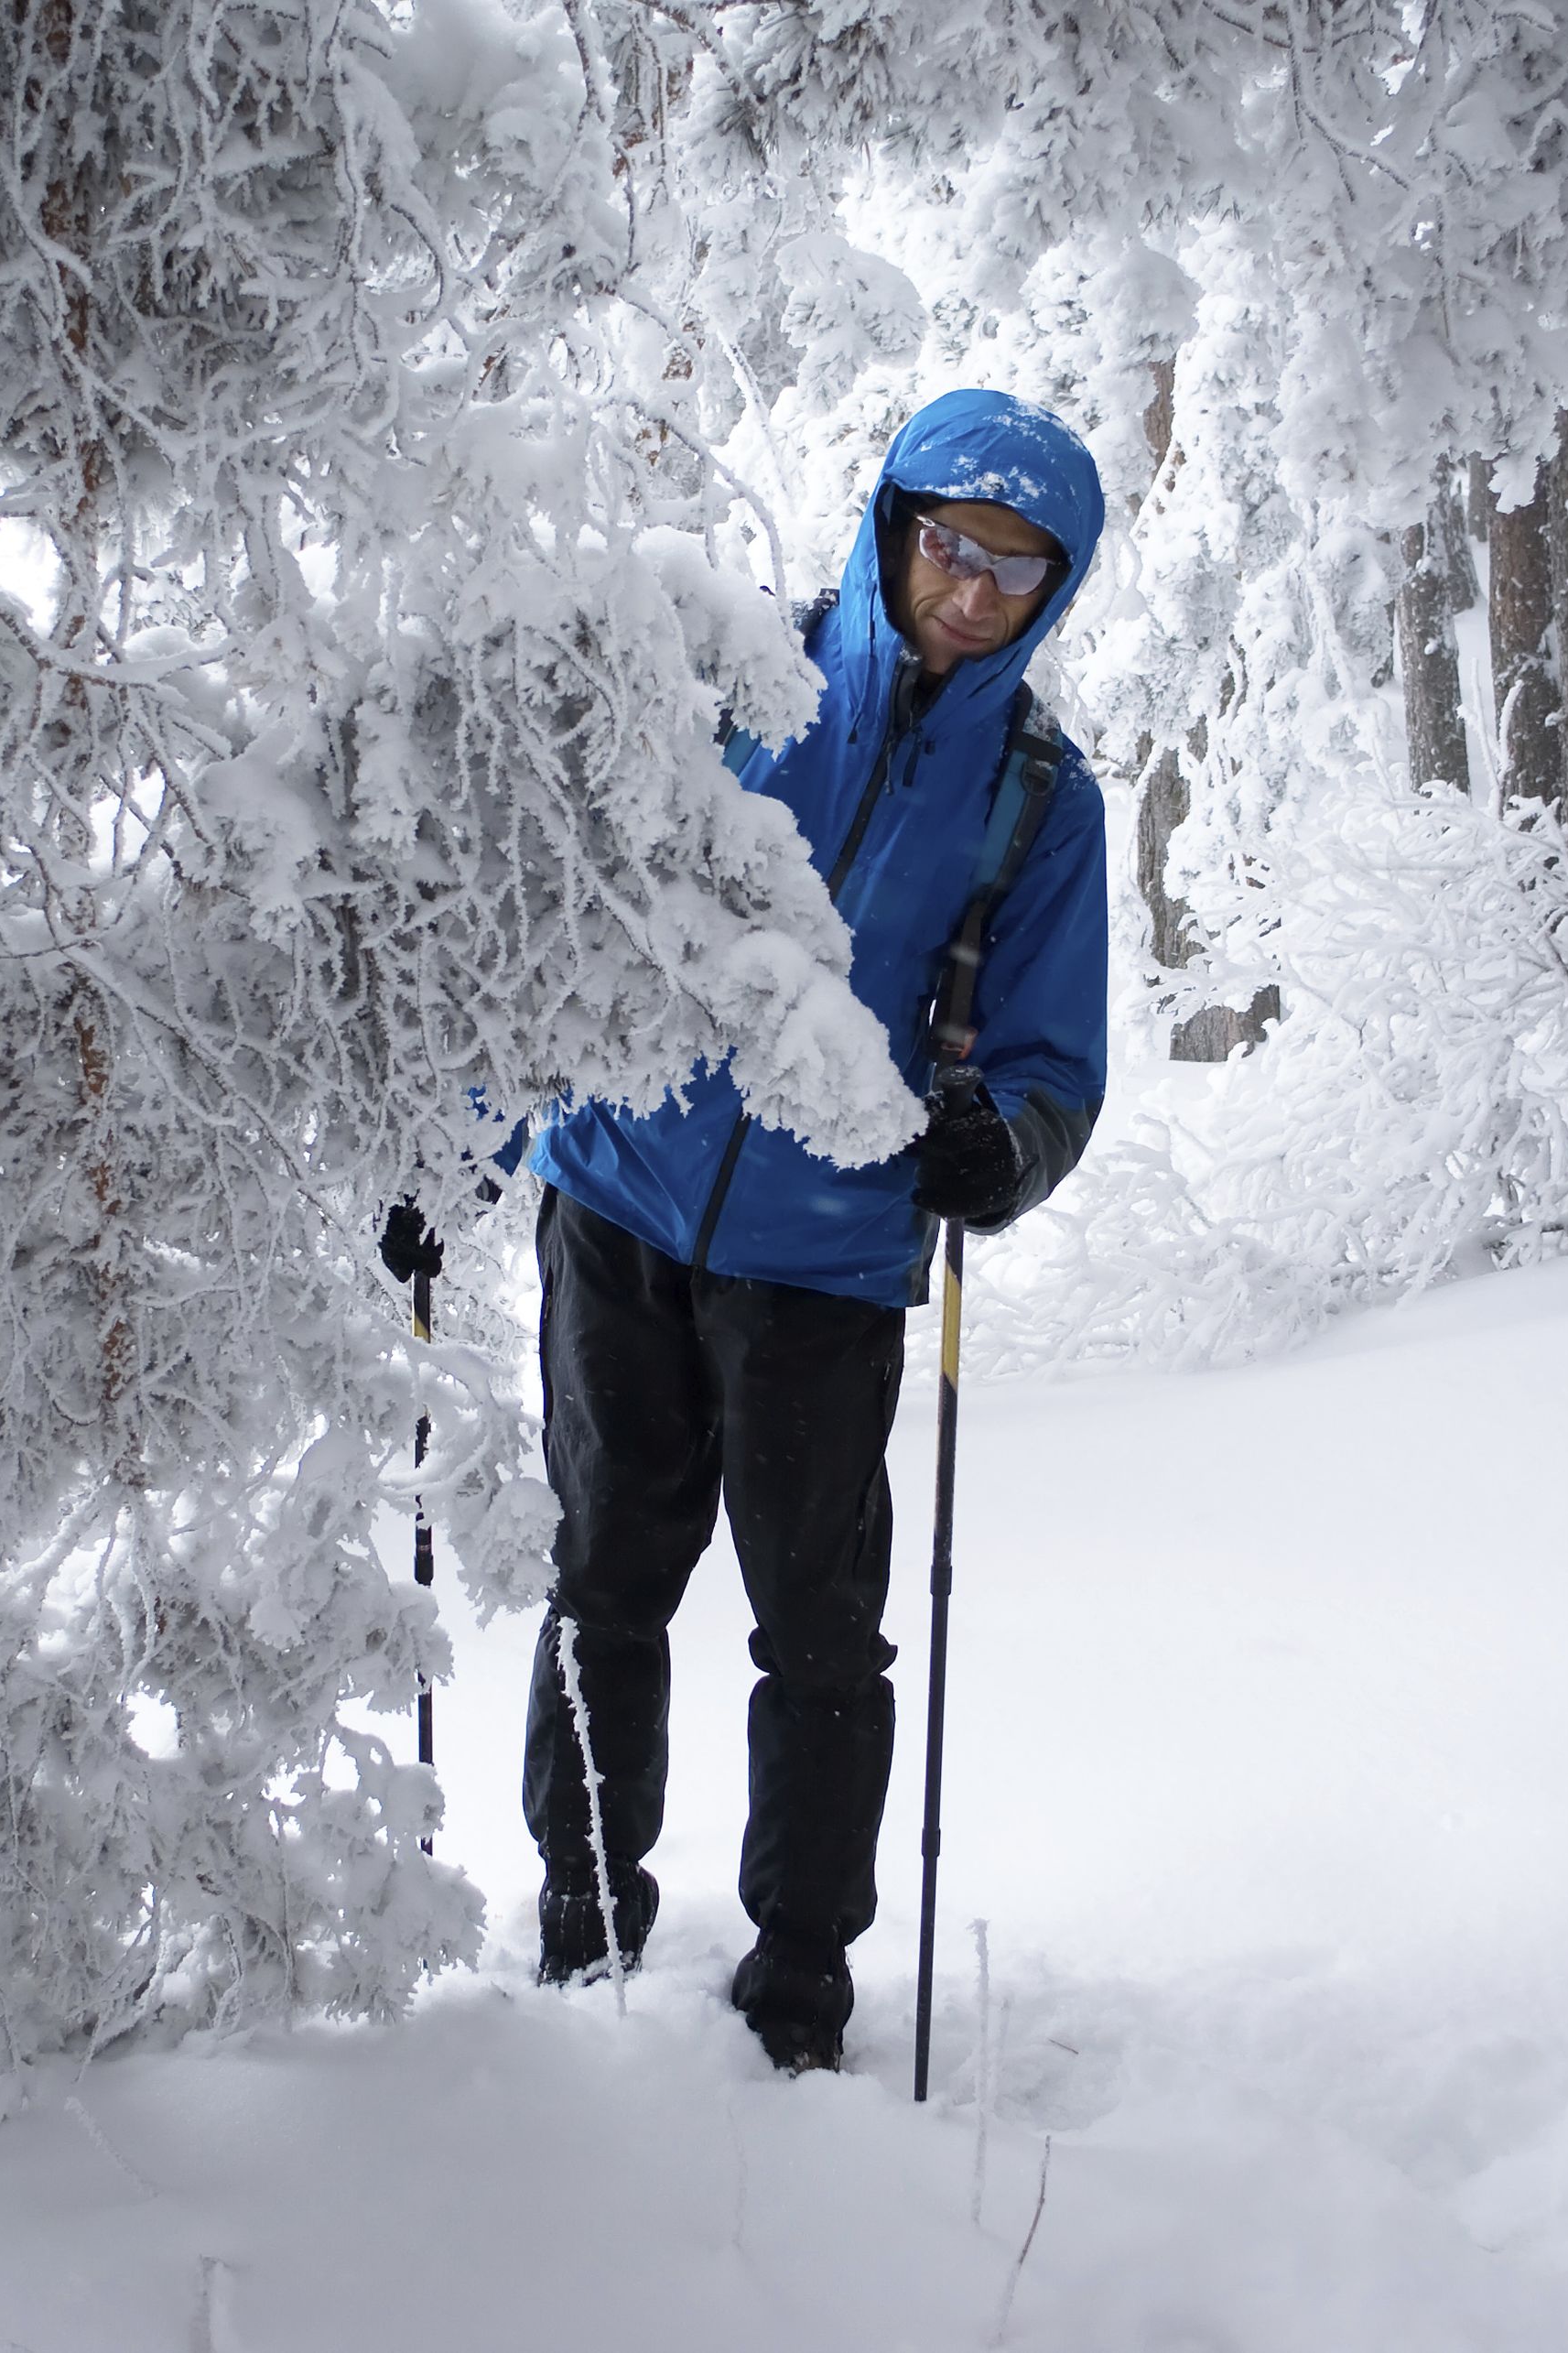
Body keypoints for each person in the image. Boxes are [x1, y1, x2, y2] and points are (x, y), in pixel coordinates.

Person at [428, 390, 1111, 2072]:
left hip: (827, 1265)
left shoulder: (1040, 802)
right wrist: (453, 1148)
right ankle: (582, 1933)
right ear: (894, 528)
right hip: (615, 1201)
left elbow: (1050, 1062)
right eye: (952, 547)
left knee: (821, 1634)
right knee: (605, 1579)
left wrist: (998, 1151)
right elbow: (571, 923)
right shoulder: (745, 679)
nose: (972, 591)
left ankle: (801, 1993)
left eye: (1015, 572)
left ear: (1054, 590)